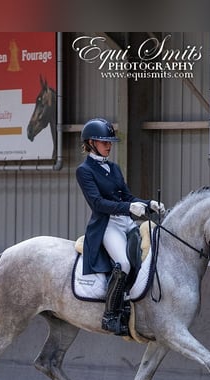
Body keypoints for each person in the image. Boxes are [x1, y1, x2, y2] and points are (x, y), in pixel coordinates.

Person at [76, 118, 165, 336]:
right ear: (90, 143)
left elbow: (127, 196)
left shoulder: (113, 168)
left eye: (110, 142)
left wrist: (147, 203)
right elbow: (97, 203)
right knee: (124, 263)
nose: (109, 146)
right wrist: (129, 208)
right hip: (107, 224)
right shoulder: (84, 170)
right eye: (104, 142)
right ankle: (111, 315)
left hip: (126, 221)